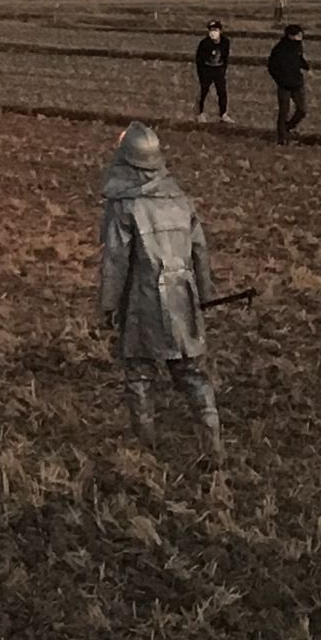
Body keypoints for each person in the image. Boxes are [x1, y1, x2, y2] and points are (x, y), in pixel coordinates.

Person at [97, 120, 223, 463]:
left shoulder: (124, 205)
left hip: (143, 299)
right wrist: (205, 294)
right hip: (183, 296)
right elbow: (200, 250)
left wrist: (108, 305)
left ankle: (144, 451)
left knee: (139, 372)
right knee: (193, 373)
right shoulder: (180, 199)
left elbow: (115, 260)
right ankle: (213, 447)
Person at [267, 25, 310, 145]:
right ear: (291, 36)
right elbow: (271, 67)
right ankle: (282, 138)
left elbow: (299, 58)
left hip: (297, 83)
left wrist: (306, 66)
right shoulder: (279, 49)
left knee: (302, 110)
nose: (301, 36)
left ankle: (287, 128)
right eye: (298, 34)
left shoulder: (298, 46)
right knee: (284, 112)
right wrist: (279, 80)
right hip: (284, 85)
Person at [193, 20, 230, 121]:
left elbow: (225, 57)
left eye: (215, 30)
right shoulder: (204, 43)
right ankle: (199, 114)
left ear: (220, 31)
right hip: (207, 70)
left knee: (222, 92)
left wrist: (223, 70)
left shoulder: (225, 42)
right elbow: (199, 60)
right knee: (203, 91)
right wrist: (201, 74)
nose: (213, 32)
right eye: (211, 30)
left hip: (219, 69)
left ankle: (223, 114)